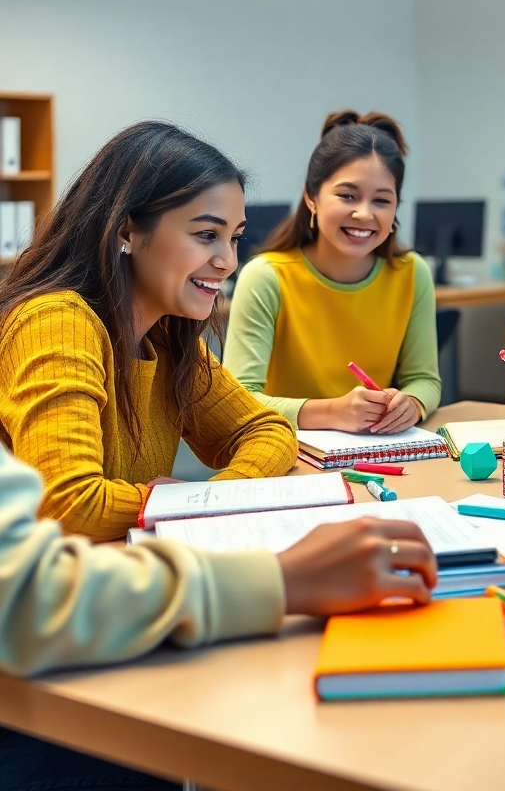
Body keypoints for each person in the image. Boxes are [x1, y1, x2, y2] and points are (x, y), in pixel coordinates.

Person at [0, 437, 437, 789]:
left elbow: (267, 429)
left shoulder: (175, 340)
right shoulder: (59, 324)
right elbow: (29, 583)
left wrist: (217, 497)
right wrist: (280, 578)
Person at [0, 123, 299, 543]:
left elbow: (267, 431)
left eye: (234, 238)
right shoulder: (56, 321)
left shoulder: (164, 335)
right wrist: (172, 508)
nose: (228, 261)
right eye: (207, 235)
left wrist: (205, 503)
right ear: (127, 232)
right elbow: (67, 504)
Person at [223, 111, 441, 435]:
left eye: (382, 200)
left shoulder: (412, 273)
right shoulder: (265, 277)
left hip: (374, 452)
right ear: (311, 197)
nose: (364, 213)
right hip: (282, 451)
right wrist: (332, 412)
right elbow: (237, 401)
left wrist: (411, 403)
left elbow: (424, 379)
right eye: (347, 195)